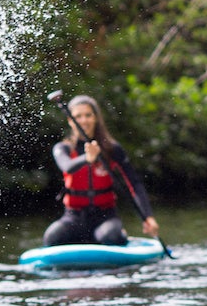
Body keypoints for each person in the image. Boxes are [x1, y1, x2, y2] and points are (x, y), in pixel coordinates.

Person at [45, 95, 160, 246]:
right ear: (70, 121)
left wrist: (148, 217)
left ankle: (118, 235)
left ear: (96, 118)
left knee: (110, 236)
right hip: (74, 216)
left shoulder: (112, 149)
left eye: (88, 115)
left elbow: (134, 183)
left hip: (105, 216)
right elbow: (67, 167)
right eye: (78, 116)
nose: (83, 120)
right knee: (52, 238)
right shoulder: (63, 148)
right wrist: (87, 158)